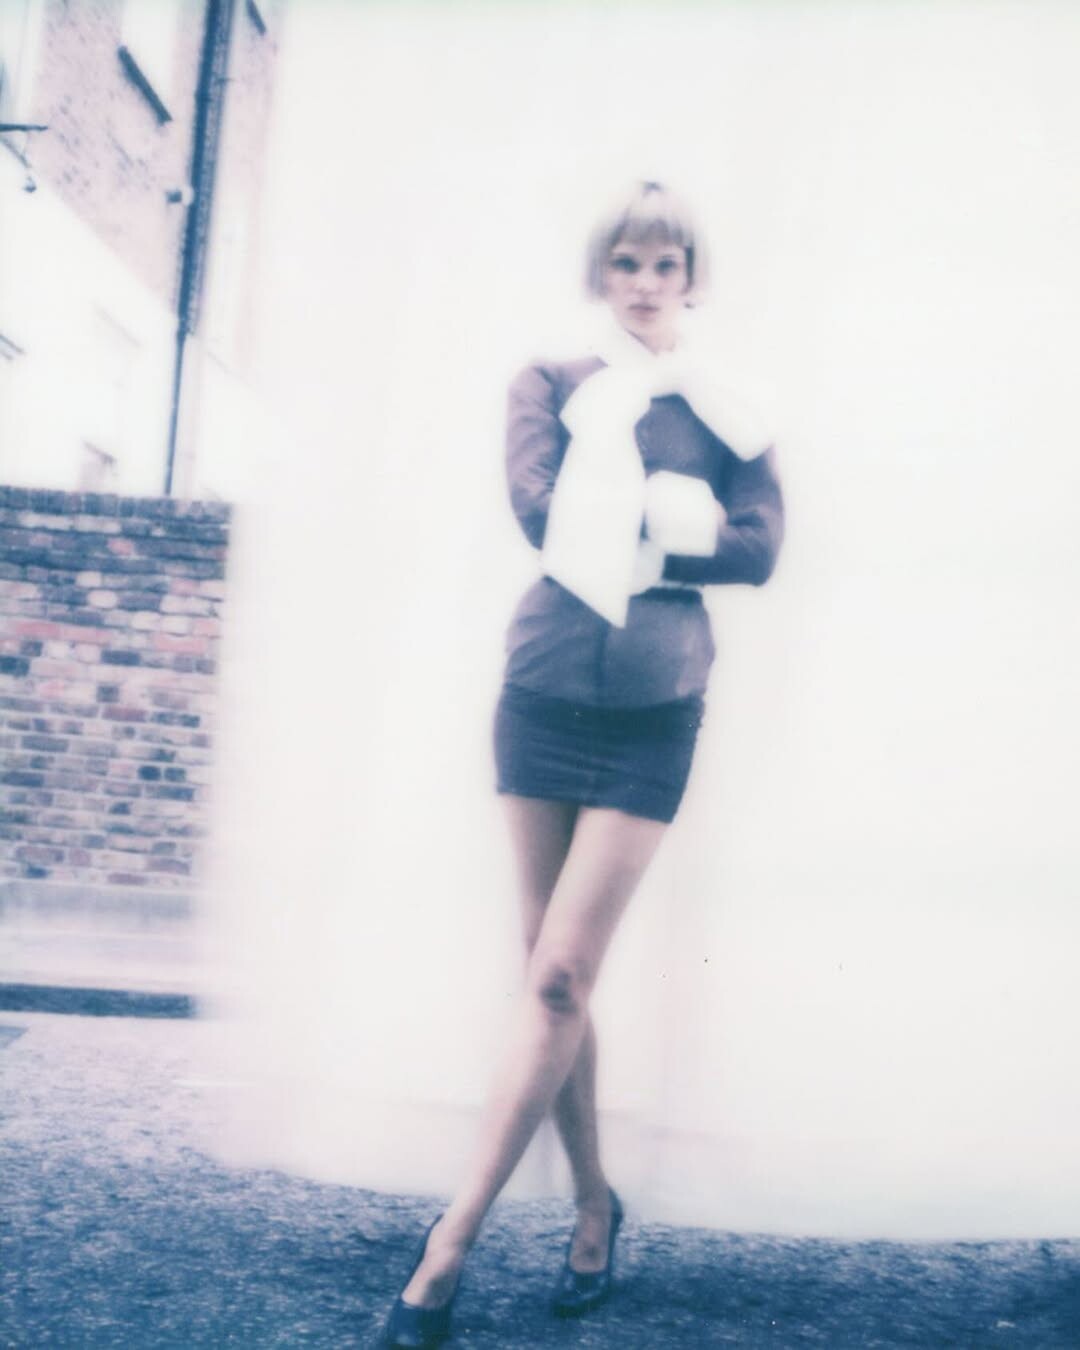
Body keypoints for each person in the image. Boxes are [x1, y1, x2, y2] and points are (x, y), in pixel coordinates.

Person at [382, 180, 784, 1347]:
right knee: (549, 979)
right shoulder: (551, 384)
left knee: (561, 974)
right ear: (600, 275)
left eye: (666, 265)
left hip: (657, 708)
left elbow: (760, 550)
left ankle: (448, 1247)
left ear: (692, 279)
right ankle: (596, 1204)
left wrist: (642, 517)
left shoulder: (732, 409)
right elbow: (537, 510)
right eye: (627, 264)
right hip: (544, 692)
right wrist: (680, 518)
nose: (646, 283)